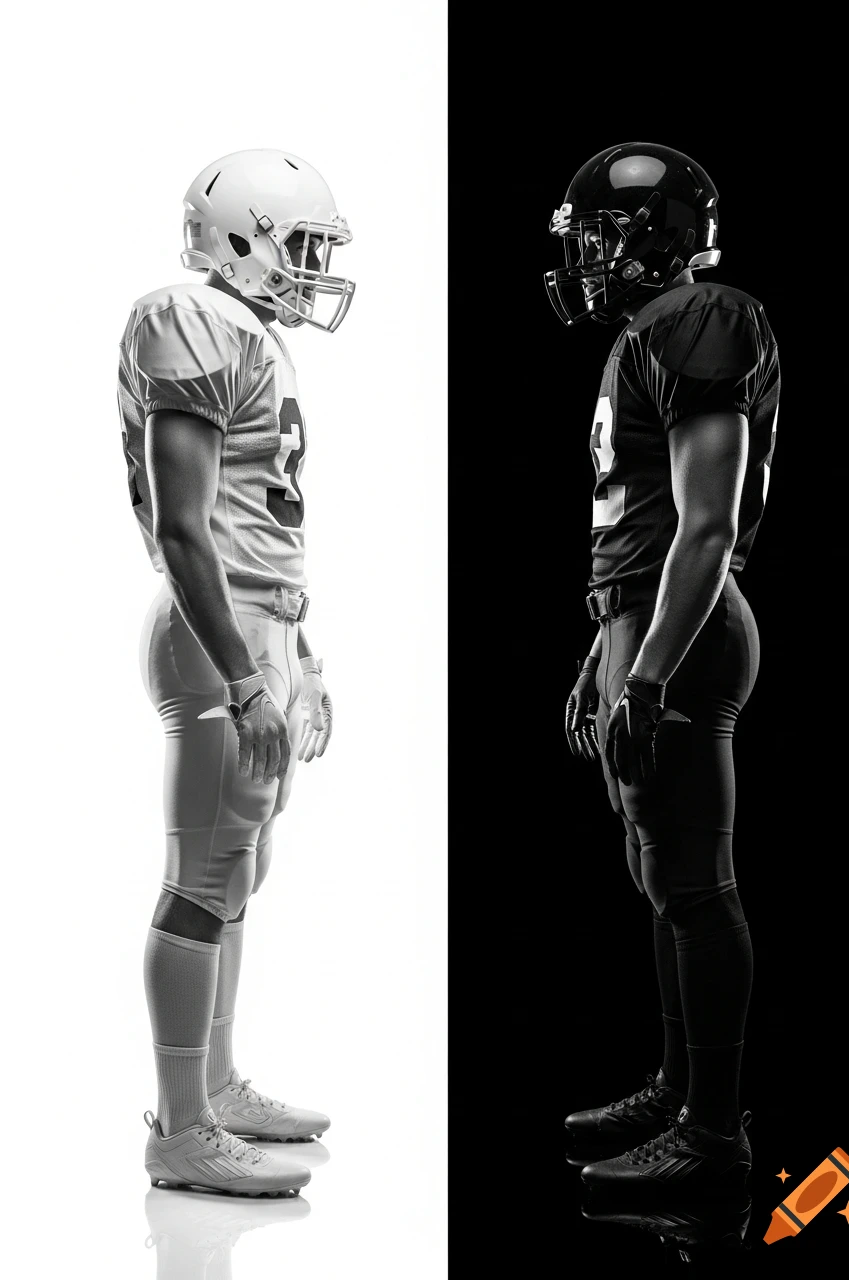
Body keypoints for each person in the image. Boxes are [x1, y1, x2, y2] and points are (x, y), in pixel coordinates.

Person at [118, 149, 354, 1195]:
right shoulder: (190, 319)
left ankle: (211, 1084)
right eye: (301, 243)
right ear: (244, 237)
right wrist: (246, 674)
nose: (312, 265)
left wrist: (294, 648)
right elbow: (183, 525)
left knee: (238, 871)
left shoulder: (251, 334)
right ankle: (179, 1126)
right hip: (218, 637)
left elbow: (255, 516)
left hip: (259, 629)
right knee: (200, 881)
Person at [547, 142, 779, 1192]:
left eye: (600, 235)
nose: (587, 257)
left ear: (656, 239)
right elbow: (636, 528)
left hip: (677, 633)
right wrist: (602, 649)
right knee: (658, 880)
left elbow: (702, 525)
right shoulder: (648, 334)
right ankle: (678, 1082)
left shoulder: (701, 317)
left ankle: (713, 1133)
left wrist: (642, 673)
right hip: (638, 626)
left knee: (694, 884)